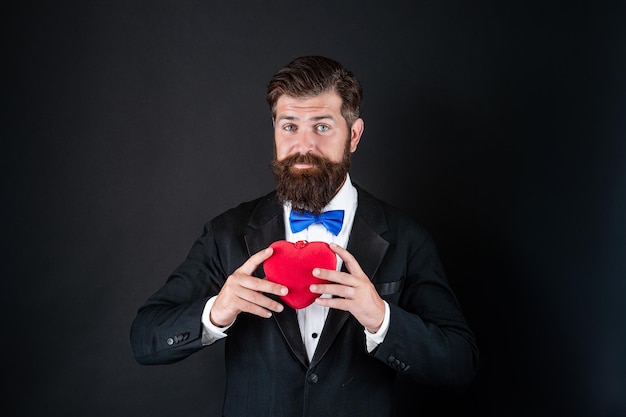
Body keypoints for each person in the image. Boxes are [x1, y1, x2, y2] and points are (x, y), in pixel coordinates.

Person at [130, 55, 478, 417]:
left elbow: (459, 363)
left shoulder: (408, 238)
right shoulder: (226, 232)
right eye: (290, 126)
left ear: (354, 135)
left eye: (322, 127)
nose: (304, 145)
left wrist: (381, 319)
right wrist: (216, 311)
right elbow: (144, 339)